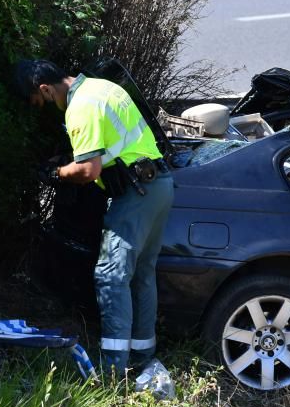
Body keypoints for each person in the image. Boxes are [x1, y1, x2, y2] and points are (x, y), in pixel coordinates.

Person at [14, 59, 174, 380]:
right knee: (142, 274)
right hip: (158, 186)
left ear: (45, 88)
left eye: (41, 101)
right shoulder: (103, 87)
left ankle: (113, 370)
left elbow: (89, 171)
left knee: (111, 276)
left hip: (136, 194)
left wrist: (56, 173)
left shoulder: (80, 108)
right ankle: (142, 357)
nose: (47, 107)